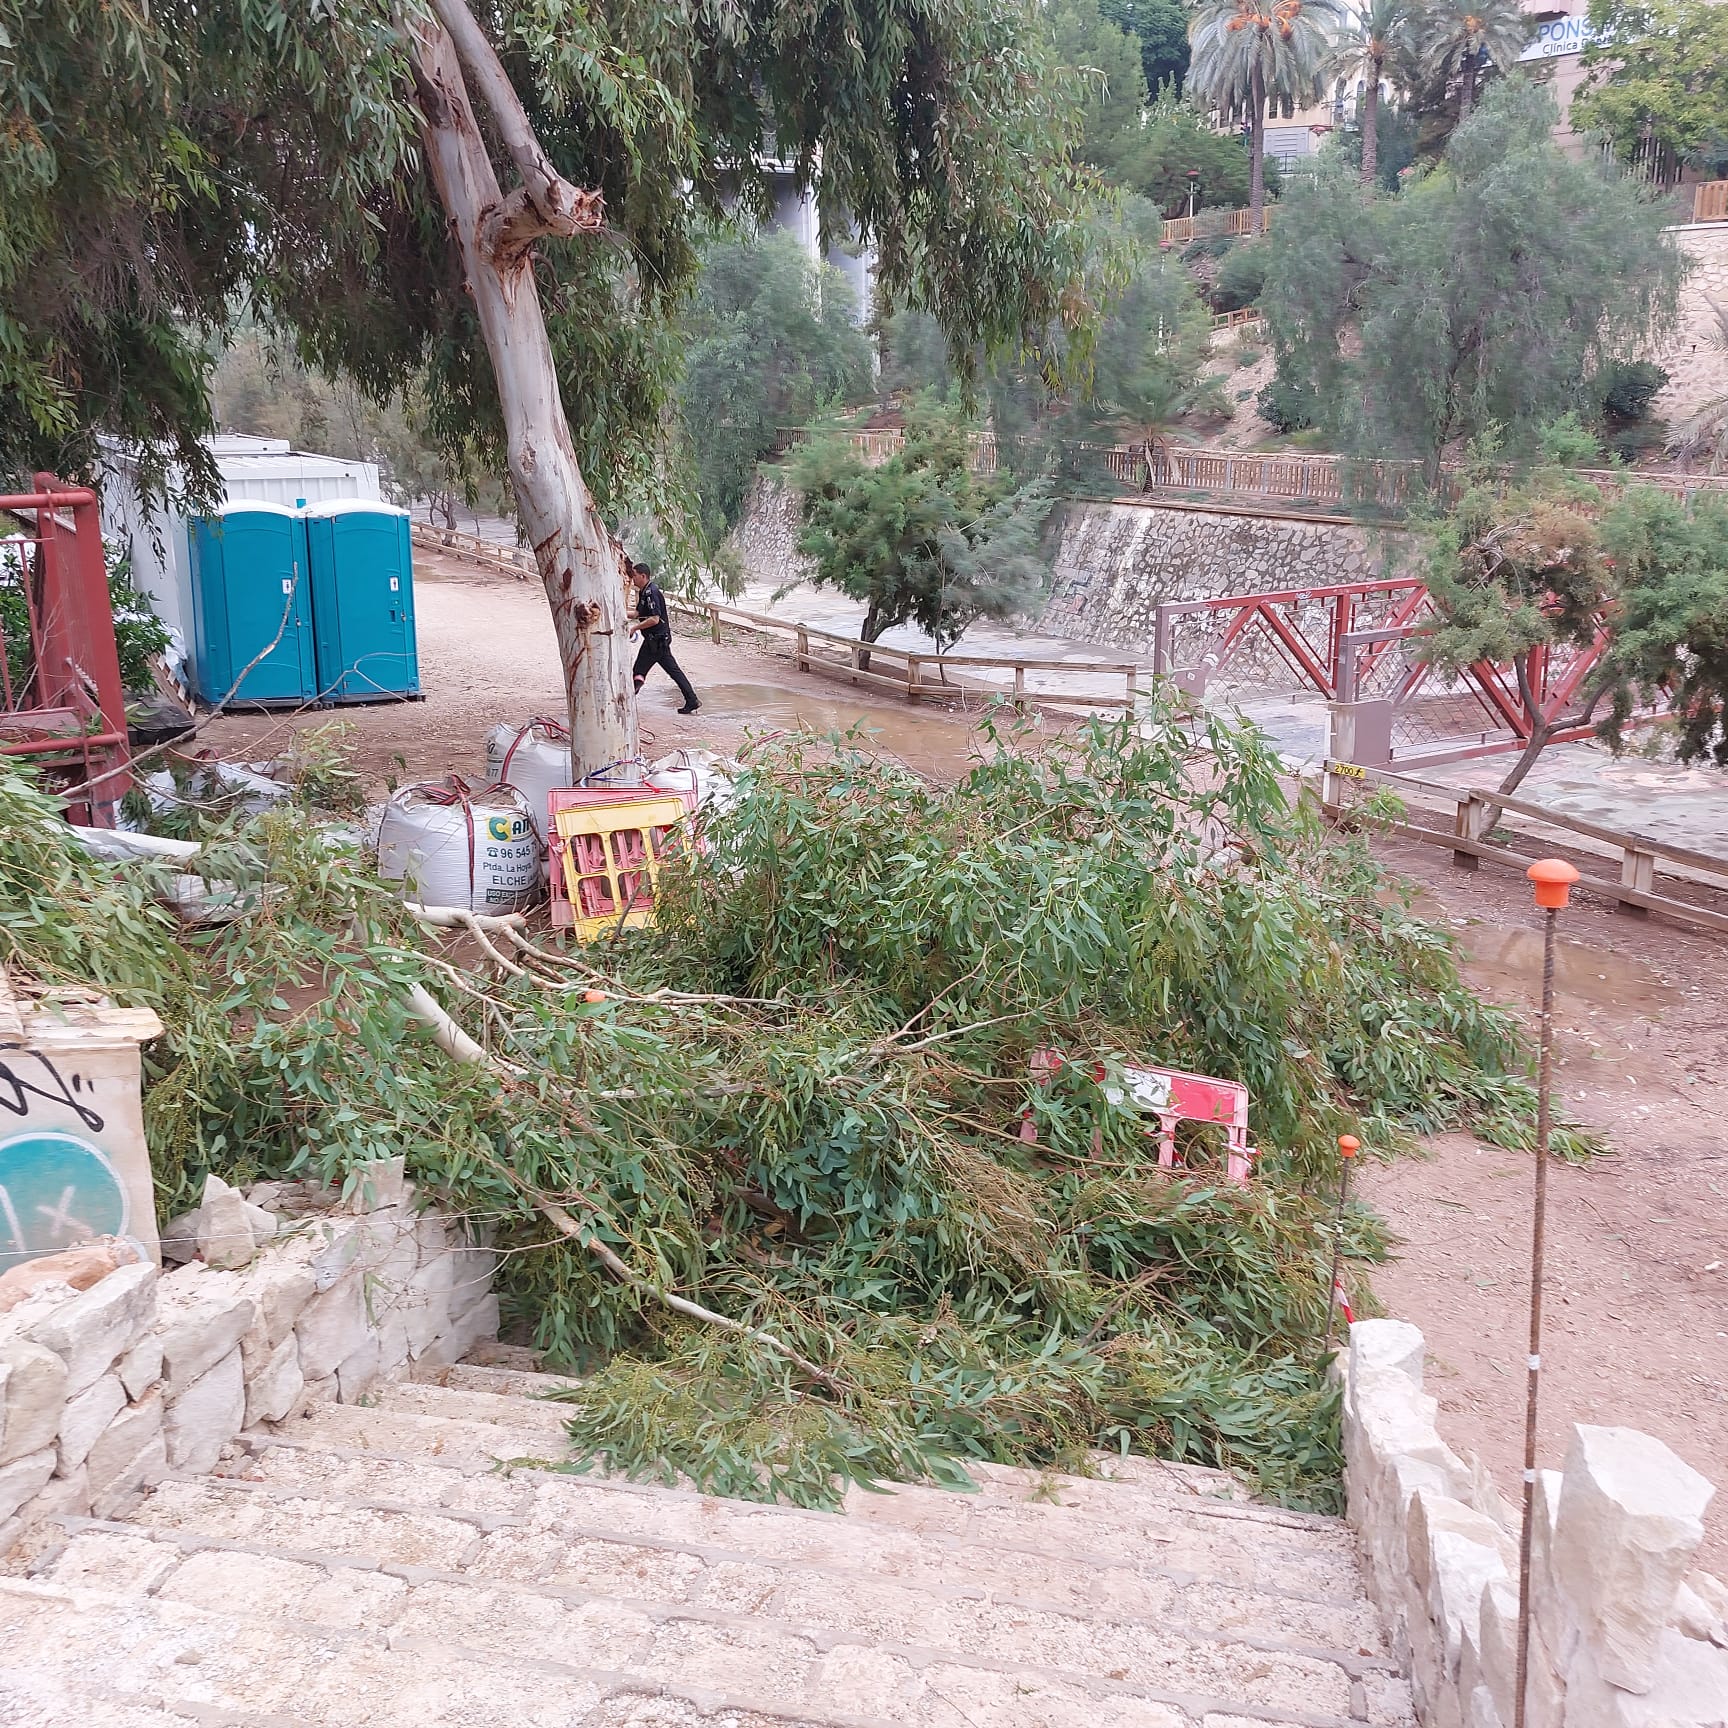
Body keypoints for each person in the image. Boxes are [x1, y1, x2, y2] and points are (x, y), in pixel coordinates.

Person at [625, 559, 699, 714]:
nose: (633, 579)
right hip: (657, 640)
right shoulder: (644, 592)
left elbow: (654, 619)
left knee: (638, 672)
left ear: (643, 576)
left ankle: (625, 703)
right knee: (673, 671)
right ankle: (692, 699)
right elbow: (639, 613)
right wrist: (621, 613)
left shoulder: (651, 592)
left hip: (656, 640)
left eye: (635, 575)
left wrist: (635, 628)